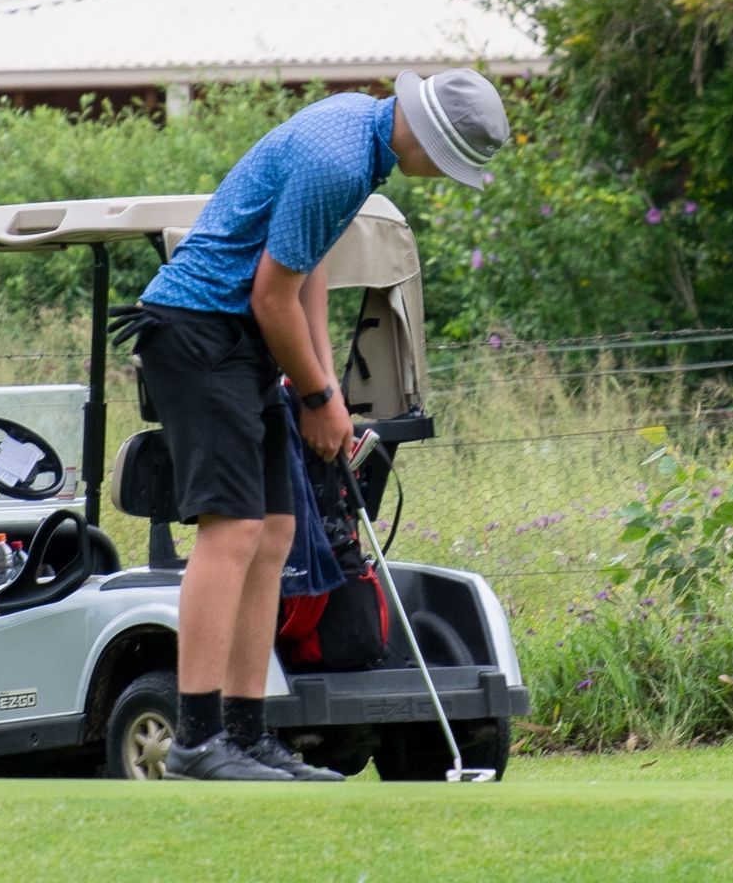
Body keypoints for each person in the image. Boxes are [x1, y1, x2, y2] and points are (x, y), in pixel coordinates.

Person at [129, 68, 509, 781]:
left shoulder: (360, 135)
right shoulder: (338, 159)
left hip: (242, 340)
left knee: (275, 530)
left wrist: (326, 391)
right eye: (448, 162)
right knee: (232, 529)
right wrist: (315, 397)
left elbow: (309, 272)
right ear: (429, 139)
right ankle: (197, 742)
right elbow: (271, 295)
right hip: (196, 330)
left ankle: (248, 734)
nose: (440, 176)